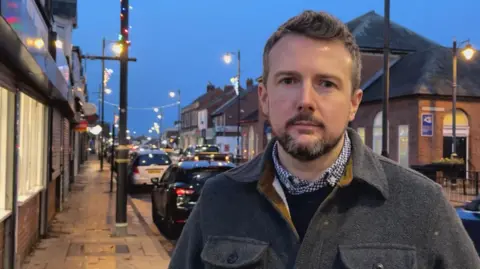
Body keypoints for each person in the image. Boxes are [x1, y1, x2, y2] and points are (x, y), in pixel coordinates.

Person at [169, 10, 480, 268]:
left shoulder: (421, 204)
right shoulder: (219, 198)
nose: (305, 100)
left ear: (354, 103)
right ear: (264, 98)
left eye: (327, 83)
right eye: (289, 80)